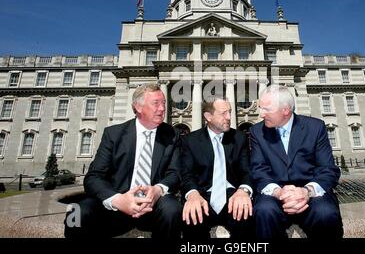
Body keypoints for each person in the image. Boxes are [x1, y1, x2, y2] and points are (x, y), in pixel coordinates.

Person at [64, 84, 182, 239]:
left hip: (153, 206)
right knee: (76, 211)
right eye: (156, 104)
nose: (162, 109)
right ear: (138, 107)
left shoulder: (173, 135)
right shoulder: (114, 134)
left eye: (164, 103)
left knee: (172, 209)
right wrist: (117, 200)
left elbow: (175, 174)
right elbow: (93, 178)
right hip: (116, 206)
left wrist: (158, 190)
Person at [249, 85, 343, 239]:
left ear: (285, 110)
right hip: (275, 194)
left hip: (311, 194)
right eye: (261, 108)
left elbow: (328, 170)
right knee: (264, 211)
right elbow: (258, 170)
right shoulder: (257, 132)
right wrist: (279, 193)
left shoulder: (315, 127)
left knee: (326, 213)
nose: (261, 114)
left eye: (266, 109)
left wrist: (306, 191)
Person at [180, 97, 254, 239]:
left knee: (246, 215)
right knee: (191, 218)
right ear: (208, 116)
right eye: (223, 113)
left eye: (230, 112)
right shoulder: (190, 140)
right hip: (202, 195)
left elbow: (247, 171)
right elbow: (187, 174)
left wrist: (243, 190)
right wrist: (193, 194)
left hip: (233, 196)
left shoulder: (239, 138)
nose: (229, 117)